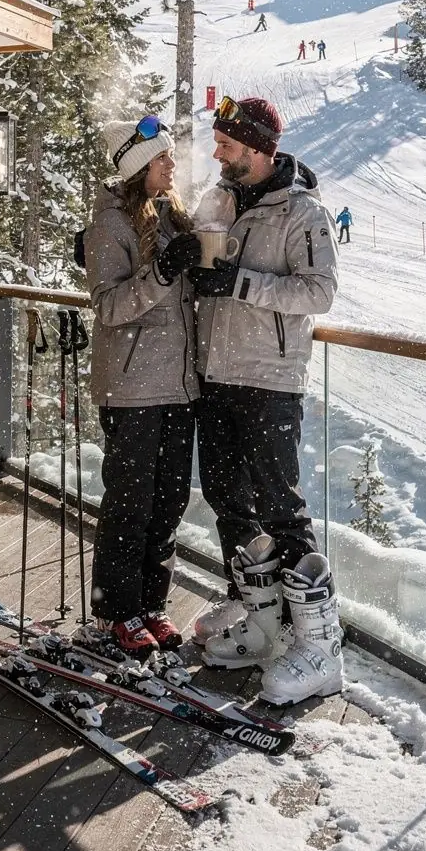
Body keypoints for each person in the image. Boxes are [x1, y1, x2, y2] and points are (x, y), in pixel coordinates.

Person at [188, 96, 343, 705]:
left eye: (227, 145)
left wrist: (241, 283)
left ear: (259, 150)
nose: (218, 153)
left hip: (272, 380)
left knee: (282, 506)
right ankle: (265, 625)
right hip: (218, 375)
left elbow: (321, 292)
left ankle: (320, 648)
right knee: (230, 501)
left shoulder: (303, 212)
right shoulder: (222, 199)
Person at [83, 117, 201, 656]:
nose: (171, 166)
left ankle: (151, 605)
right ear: (137, 168)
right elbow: (108, 306)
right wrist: (160, 274)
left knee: (169, 500)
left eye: (170, 157)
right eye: (161, 159)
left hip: (178, 385)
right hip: (131, 387)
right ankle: (117, 612)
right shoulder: (109, 225)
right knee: (131, 502)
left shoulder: (172, 218)